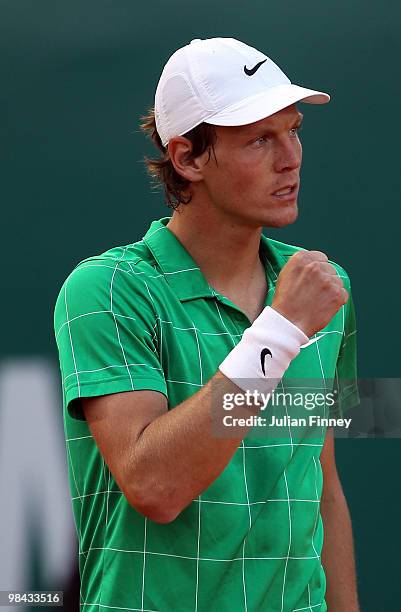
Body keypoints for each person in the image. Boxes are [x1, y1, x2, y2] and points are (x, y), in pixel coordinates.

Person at [54, 37, 360, 612]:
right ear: (188, 158)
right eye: (258, 140)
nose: (290, 157)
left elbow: (319, 488)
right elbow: (155, 487)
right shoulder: (108, 289)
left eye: (293, 131)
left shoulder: (321, 288)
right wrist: (280, 329)